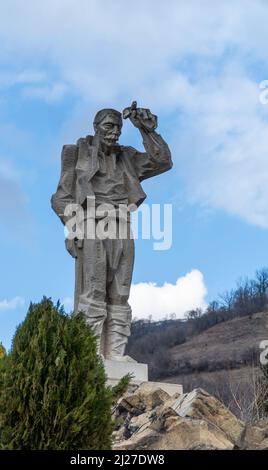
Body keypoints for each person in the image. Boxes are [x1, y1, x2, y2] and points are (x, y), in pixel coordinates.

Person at [51, 104, 172, 360]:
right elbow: (60, 198)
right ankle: (91, 355)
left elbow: (162, 161)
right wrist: (74, 227)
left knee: (121, 291)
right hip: (92, 223)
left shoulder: (126, 156)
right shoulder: (76, 154)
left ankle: (115, 355)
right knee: (94, 290)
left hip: (122, 224)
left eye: (118, 127)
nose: (114, 132)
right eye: (108, 126)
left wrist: (146, 130)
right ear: (96, 128)